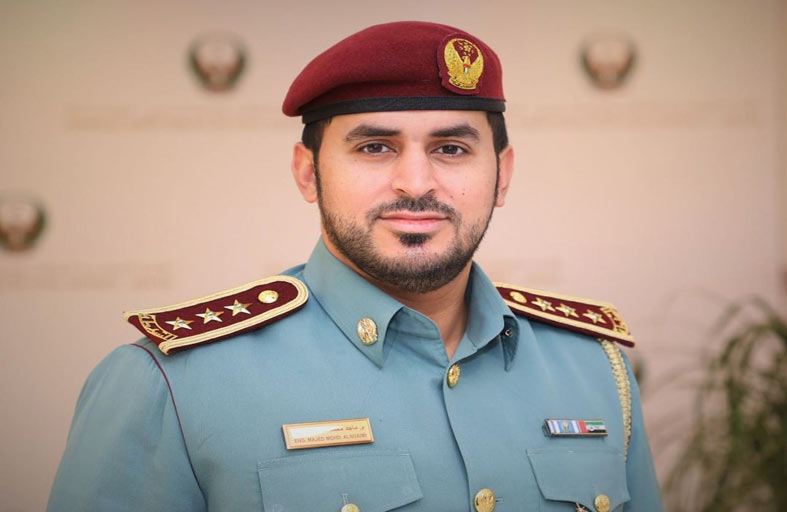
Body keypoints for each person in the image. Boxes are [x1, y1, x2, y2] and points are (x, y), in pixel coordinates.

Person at [48, 21, 663, 512]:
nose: (416, 183)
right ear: (307, 173)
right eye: (375, 147)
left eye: (451, 148)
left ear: (502, 174)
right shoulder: (171, 382)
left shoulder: (593, 367)